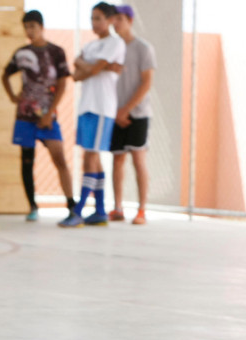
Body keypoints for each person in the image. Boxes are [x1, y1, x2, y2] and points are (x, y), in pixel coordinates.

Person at [1, 10, 74, 222]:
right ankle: (32, 206)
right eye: (26, 27)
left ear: (41, 27)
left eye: (32, 26)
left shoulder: (56, 52)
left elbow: (62, 84)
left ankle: (71, 204)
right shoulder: (21, 53)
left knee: (59, 157)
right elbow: (5, 74)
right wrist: (13, 96)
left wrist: (49, 113)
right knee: (26, 160)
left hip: (47, 116)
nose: (29, 31)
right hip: (25, 116)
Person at [59, 2, 125, 228]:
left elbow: (90, 69)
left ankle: (78, 211)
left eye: (98, 18)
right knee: (92, 158)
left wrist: (90, 65)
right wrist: (99, 66)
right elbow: (76, 74)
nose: (94, 23)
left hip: (102, 108)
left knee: (90, 156)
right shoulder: (90, 46)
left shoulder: (115, 43)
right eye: (92, 18)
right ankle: (99, 210)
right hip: (86, 106)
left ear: (110, 20)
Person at [109, 4, 156, 225]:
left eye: (119, 19)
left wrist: (126, 109)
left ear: (130, 21)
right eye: (113, 19)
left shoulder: (143, 48)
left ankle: (141, 210)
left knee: (138, 159)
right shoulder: (112, 49)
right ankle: (117, 208)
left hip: (138, 113)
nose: (115, 23)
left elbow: (147, 83)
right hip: (116, 114)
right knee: (118, 159)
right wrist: (115, 111)